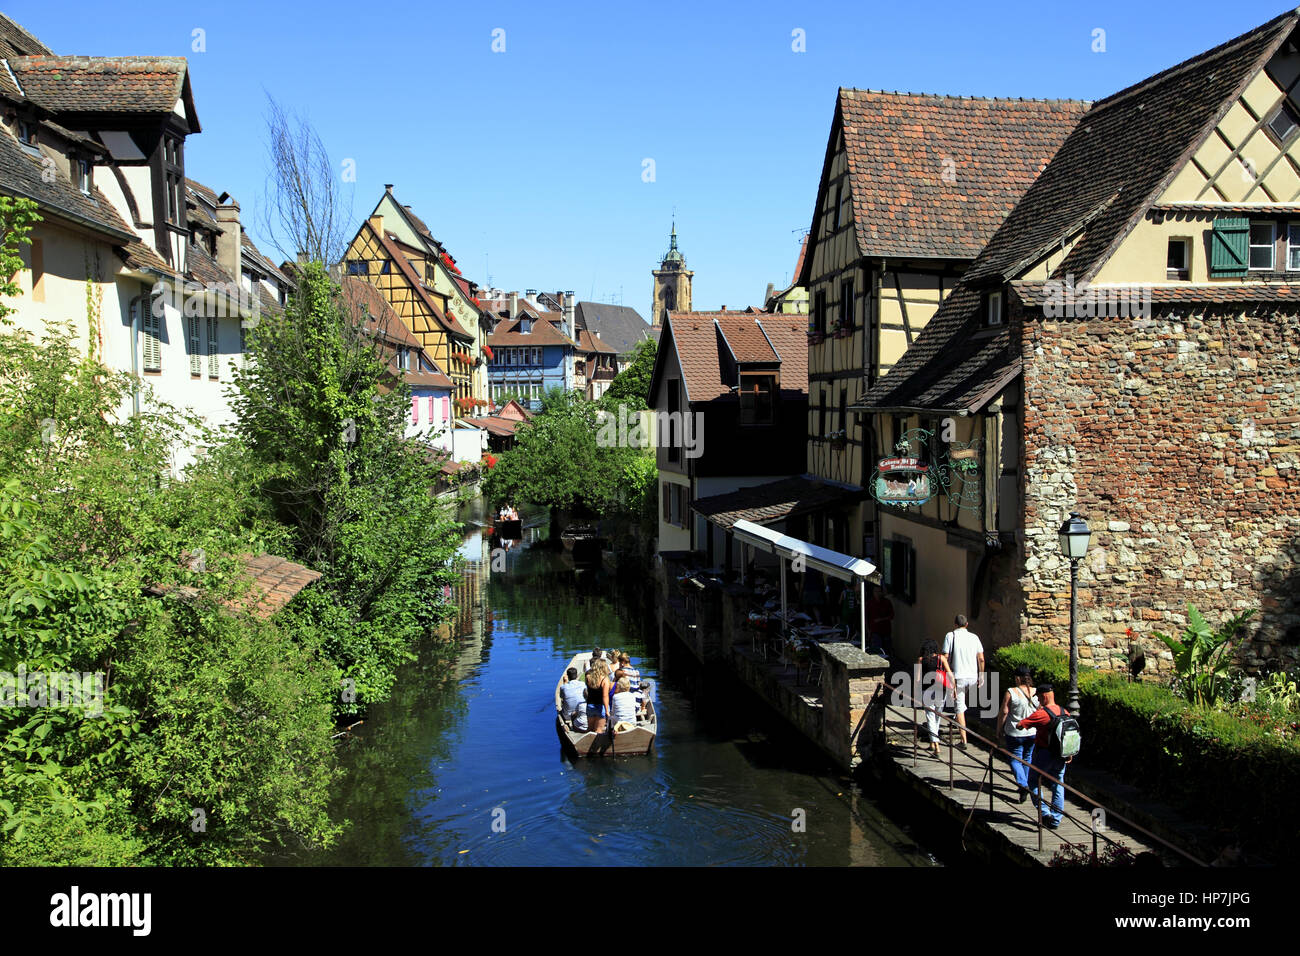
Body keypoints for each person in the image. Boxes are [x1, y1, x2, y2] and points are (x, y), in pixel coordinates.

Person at [1017, 683, 1071, 829]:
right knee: (1058, 783)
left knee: (1033, 781)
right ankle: (1056, 819)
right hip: (1061, 754)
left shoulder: (1042, 713)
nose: (1038, 701)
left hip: (1044, 754)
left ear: (1045, 696)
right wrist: (1069, 753)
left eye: (1039, 698)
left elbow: (1020, 725)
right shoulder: (1064, 712)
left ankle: (1045, 813)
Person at [939, 614, 984, 749]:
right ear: (967, 624)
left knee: (959, 707)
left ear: (955, 625)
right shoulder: (974, 637)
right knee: (960, 702)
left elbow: (945, 656)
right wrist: (981, 675)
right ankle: (958, 719)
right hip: (972, 676)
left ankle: (963, 741)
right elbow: (981, 658)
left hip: (958, 677)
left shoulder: (950, 636)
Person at [997, 665, 1039, 802]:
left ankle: (1023, 784)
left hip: (1014, 732)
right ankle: (1025, 783)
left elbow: (1004, 712)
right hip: (1032, 731)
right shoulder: (1036, 692)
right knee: (1027, 758)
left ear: (1017, 678)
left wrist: (999, 728)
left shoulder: (1011, 692)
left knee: (1015, 758)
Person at [917, 637, 954, 756]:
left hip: (926, 691)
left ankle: (936, 744)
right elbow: (949, 673)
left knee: (930, 717)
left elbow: (918, 679)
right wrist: (953, 689)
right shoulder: (941, 658)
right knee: (937, 716)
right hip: (940, 690)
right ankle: (933, 743)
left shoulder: (921, 660)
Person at [584, 657, 612, 734]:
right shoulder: (605, 680)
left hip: (590, 705)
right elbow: (605, 696)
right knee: (598, 731)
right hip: (601, 707)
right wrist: (607, 711)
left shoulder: (588, 677)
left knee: (590, 729)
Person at [866, 585, 895, 656]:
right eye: (876, 591)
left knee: (887, 651)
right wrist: (868, 630)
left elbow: (892, 616)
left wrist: (881, 619)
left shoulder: (887, 602)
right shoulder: (870, 603)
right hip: (875, 631)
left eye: (879, 591)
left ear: (882, 592)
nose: (877, 593)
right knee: (877, 651)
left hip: (886, 630)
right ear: (873, 592)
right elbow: (866, 617)